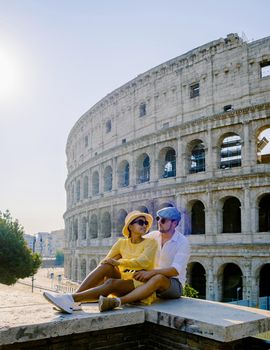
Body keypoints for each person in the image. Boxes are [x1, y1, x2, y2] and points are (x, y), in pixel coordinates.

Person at [43, 210, 157, 313]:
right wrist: (111, 264)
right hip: (124, 281)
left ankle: (71, 298)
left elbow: (144, 261)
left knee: (111, 282)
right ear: (130, 226)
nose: (144, 225)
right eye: (141, 222)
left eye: (146, 223)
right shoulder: (121, 243)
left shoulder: (151, 242)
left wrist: (120, 262)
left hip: (140, 284)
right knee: (106, 265)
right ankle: (75, 301)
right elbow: (106, 261)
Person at [98, 206, 190, 312]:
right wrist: (117, 258)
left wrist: (151, 273)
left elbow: (175, 270)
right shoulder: (153, 236)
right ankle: (90, 294)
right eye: (158, 219)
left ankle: (117, 302)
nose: (159, 222)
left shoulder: (183, 242)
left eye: (163, 220)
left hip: (173, 284)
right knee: (118, 274)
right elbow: (135, 245)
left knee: (158, 278)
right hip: (150, 279)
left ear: (174, 223)